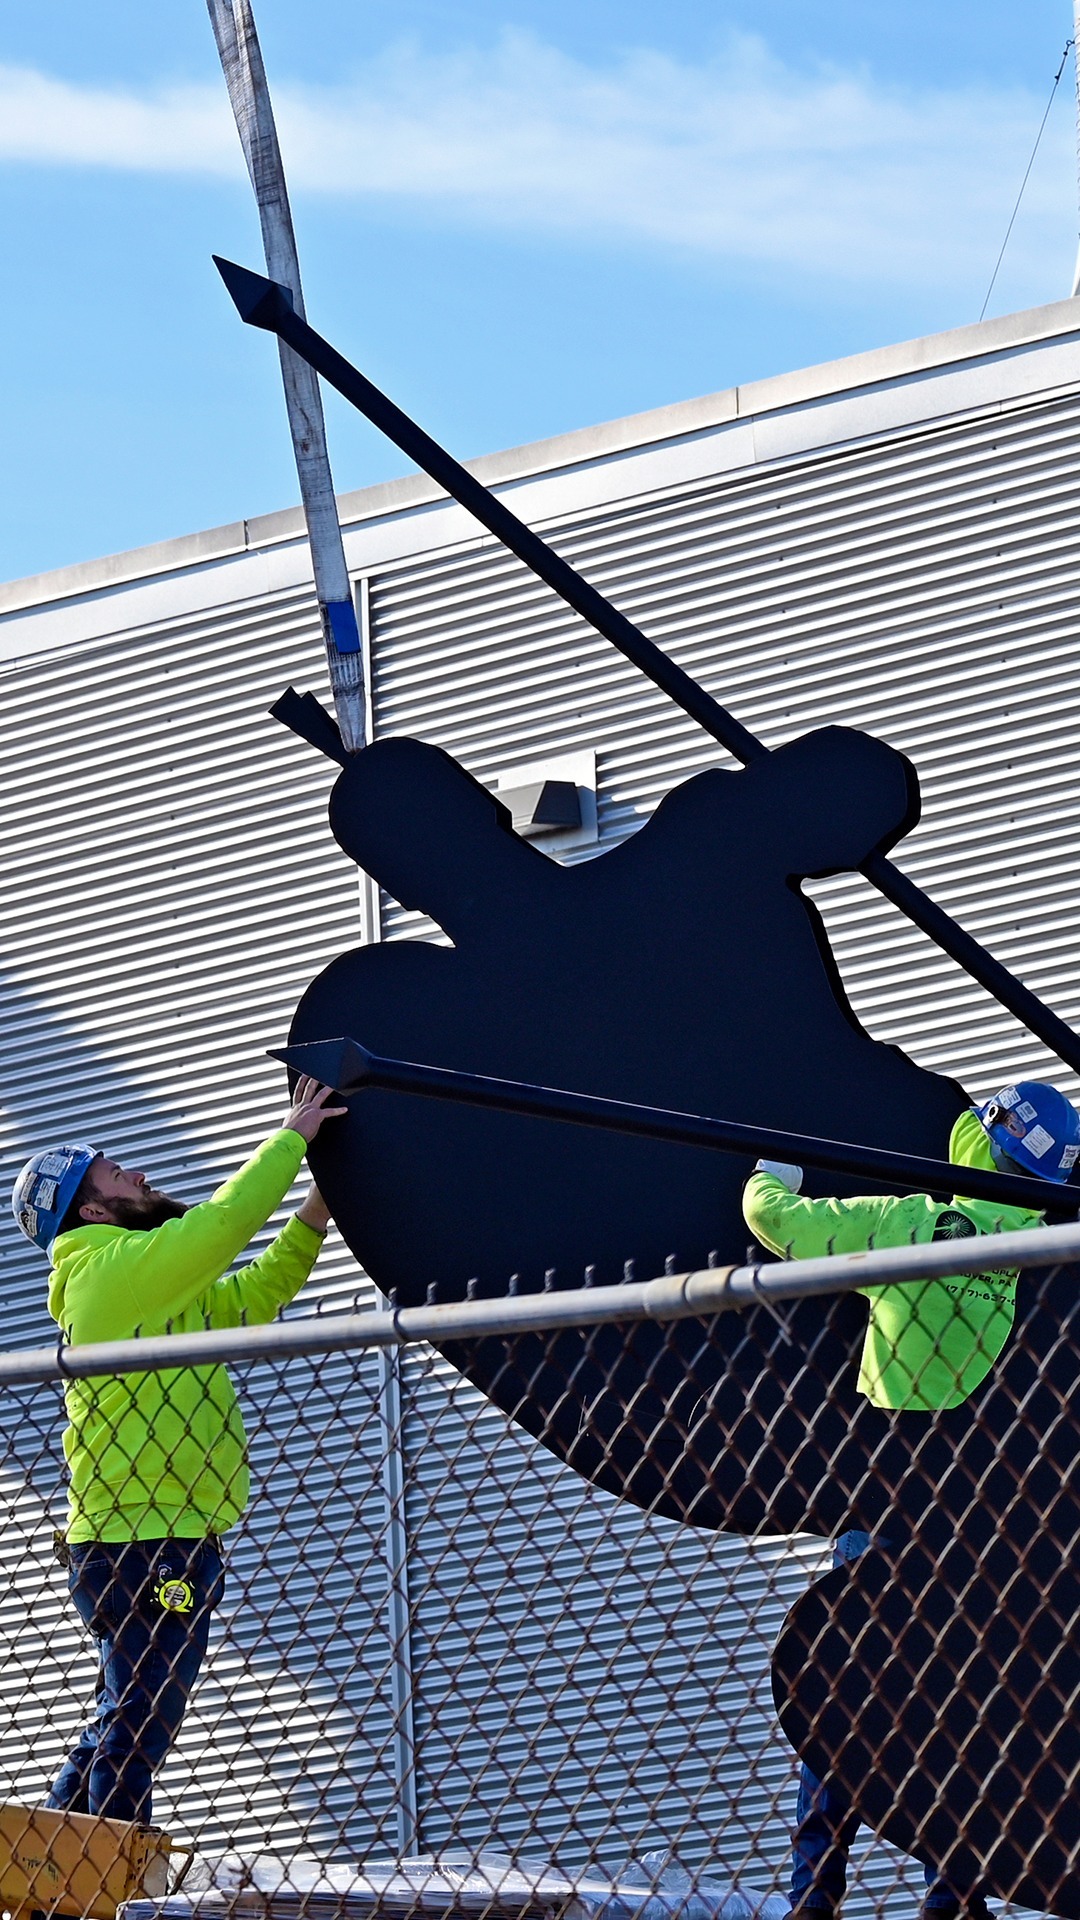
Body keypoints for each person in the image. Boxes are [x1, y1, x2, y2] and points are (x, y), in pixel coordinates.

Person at [742, 1079, 1080, 1919]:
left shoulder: (913, 1228)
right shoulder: (1044, 1258)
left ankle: (814, 1895)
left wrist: (769, 1166)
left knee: (846, 1691)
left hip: (886, 1504)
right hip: (987, 1525)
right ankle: (953, 1897)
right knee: (967, 1709)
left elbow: (778, 1220)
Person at [10, 1074, 346, 1826]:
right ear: (93, 1209)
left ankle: (56, 1868)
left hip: (159, 1533)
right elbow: (221, 1227)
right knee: (142, 1715)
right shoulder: (109, 1274)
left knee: (128, 1709)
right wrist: (293, 1137)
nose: (138, 1172)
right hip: (143, 1536)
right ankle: (109, 1868)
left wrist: (316, 1212)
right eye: (115, 1172)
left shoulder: (148, 1285)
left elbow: (251, 1298)